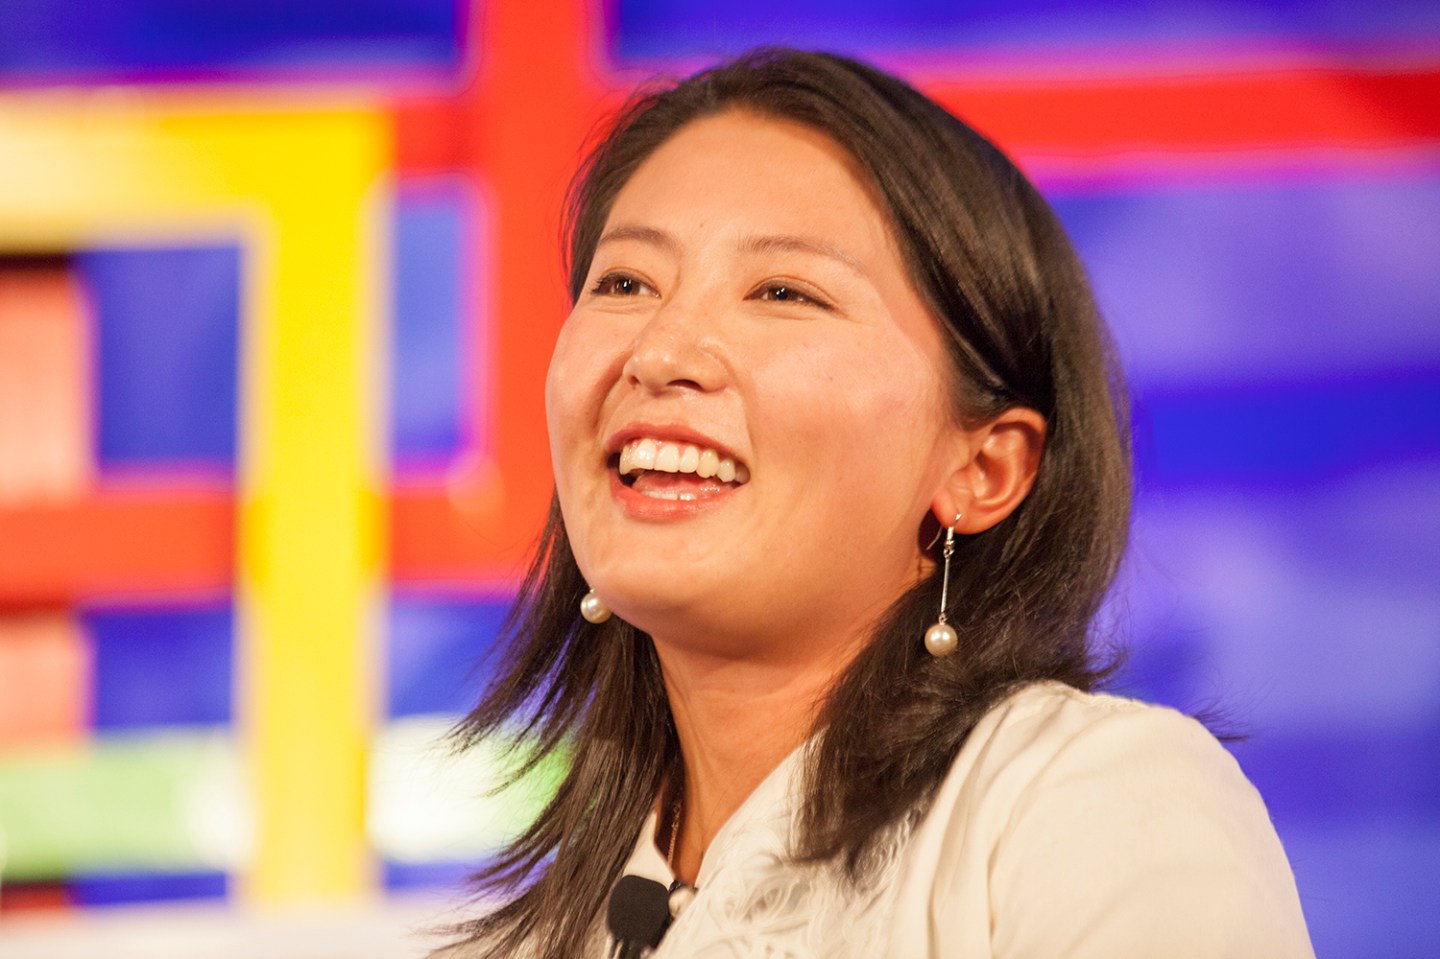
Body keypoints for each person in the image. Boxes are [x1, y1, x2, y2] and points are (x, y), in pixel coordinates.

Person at [441, 48, 1314, 958]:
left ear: (983, 469)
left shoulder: (1090, 806)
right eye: (625, 283)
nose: (658, 353)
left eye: (782, 291)